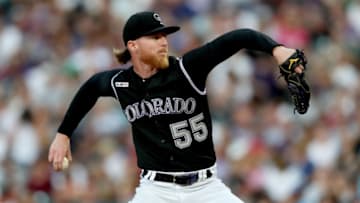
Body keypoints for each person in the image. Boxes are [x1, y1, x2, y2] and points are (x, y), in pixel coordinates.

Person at [48, 11, 304, 203]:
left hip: (206, 188)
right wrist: (63, 133)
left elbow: (237, 38)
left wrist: (276, 48)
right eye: (155, 37)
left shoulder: (187, 68)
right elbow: (91, 87)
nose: (164, 42)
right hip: (156, 191)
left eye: (165, 36)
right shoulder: (121, 83)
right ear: (133, 45)